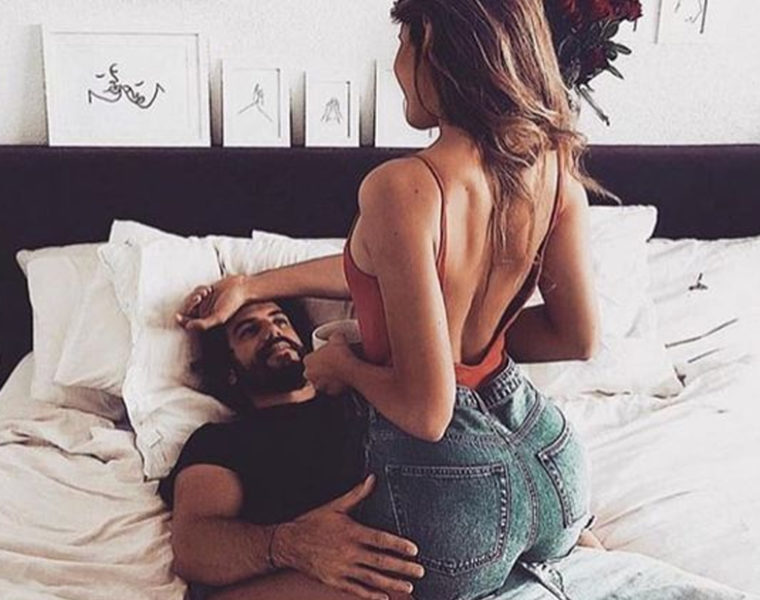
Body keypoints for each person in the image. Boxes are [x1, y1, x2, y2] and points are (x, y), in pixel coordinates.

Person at [160, 299, 426, 600]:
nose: (273, 332)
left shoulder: (363, 400)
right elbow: (193, 546)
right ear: (228, 370)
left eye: (280, 321)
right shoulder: (221, 440)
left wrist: (251, 287)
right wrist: (290, 544)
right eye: (250, 330)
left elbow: (378, 275)